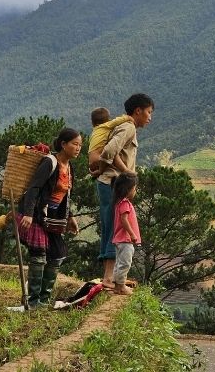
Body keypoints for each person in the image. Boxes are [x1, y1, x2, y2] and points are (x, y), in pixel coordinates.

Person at [16, 128, 81, 308]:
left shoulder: (69, 167)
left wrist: (70, 216)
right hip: (37, 214)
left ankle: (43, 301)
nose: (78, 148)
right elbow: (34, 188)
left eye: (80, 145)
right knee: (39, 255)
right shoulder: (50, 162)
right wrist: (28, 214)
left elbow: (66, 195)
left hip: (53, 219)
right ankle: (33, 301)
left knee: (57, 254)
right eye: (75, 144)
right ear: (63, 144)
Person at [95, 93, 154, 288]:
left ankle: (114, 275)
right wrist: (128, 172)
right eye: (148, 112)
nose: (150, 117)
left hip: (112, 183)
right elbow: (109, 151)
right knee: (114, 227)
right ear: (138, 111)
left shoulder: (128, 128)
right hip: (112, 184)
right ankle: (108, 277)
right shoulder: (128, 127)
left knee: (113, 226)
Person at [111, 174, 141, 295]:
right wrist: (132, 234)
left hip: (121, 239)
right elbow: (124, 220)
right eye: (134, 188)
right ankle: (121, 286)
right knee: (125, 263)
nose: (135, 191)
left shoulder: (120, 203)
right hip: (125, 240)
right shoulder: (125, 204)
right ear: (127, 190)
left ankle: (117, 285)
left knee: (119, 262)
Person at [87, 107, 132, 179]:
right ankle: (126, 171)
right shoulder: (105, 126)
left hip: (91, 159)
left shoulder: (95, 131)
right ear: (108, 120)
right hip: (98, 157)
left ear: (92, 123)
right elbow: (117, 121)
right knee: (113, 155)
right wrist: (128, 117)